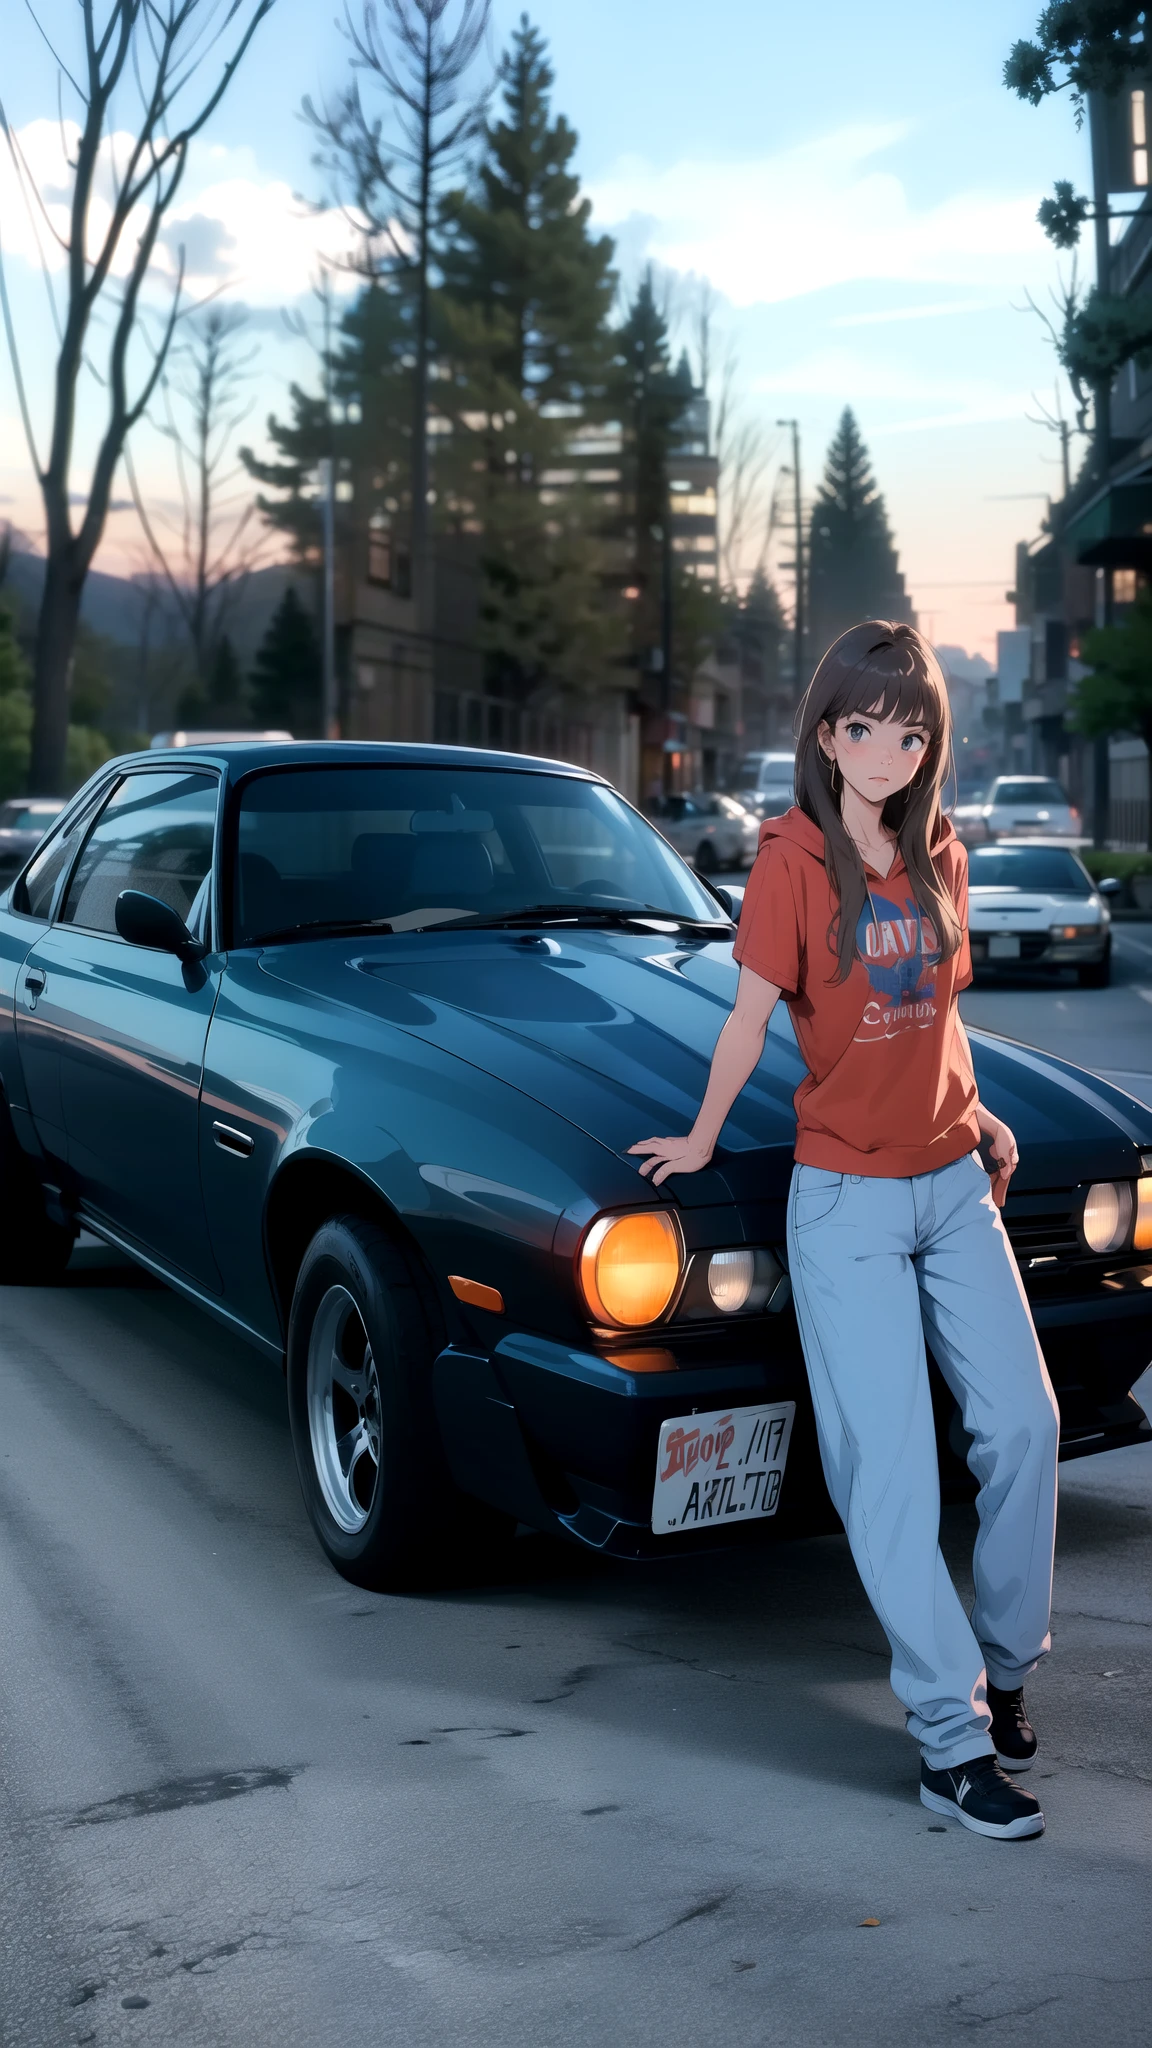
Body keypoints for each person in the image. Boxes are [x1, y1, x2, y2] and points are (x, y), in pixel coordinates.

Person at [630, 621, 1059, 1843]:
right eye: (865, 725)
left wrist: (972, 1109)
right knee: (892, 1475)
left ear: (931, 742)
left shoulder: (938, 856)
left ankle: (1006, 1660)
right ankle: (949, 1741)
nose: (888, 746)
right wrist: (705, 1138)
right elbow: (749, 1018)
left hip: (948, 1185)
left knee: (1022, 1425)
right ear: (828, 734)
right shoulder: (795, 862)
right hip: (845, 1203)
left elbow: (940, 1014)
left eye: (911, 727)